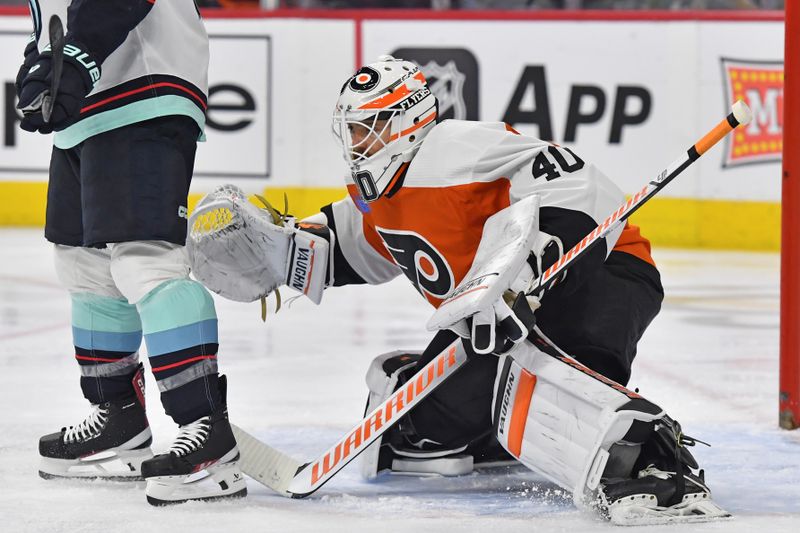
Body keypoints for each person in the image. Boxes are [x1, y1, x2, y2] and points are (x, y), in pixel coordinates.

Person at [187, 55, 728, 523]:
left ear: (407, 119)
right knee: (425, 428)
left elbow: (579, 185)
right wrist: (280, 255)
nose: (356, 144)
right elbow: (349, 247)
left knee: (560, 384)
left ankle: (656, 462)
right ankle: (439, 398)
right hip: (494, 320)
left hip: (601, 271)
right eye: (350, 131)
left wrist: (521, 278)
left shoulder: (454, 149)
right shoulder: (380, 194)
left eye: (367, 128)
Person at [16, 1, 244, 505]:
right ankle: (118, 416)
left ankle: (206, 425)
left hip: (144, 85)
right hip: (86, 107)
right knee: (82, 263)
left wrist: (72, 59)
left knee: (146, 261)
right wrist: (44, 61)